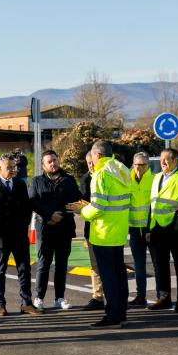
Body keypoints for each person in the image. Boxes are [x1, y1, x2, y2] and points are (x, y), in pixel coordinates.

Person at [67, 140, 131, 328]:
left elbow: (100, 207)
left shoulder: (101, 174)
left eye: (92, 156)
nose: (91, 161)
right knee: (119, 274)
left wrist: (82, 211)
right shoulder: (121, 169)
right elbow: (112, 202)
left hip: (103, 233)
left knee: (108, 277)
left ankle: (112, 316)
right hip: (118, 231)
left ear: (98, 155)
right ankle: (121, 313)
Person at [0, 153, 44, 316]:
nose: (13, 170)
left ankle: (26, 303)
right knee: (0, 269)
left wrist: (24, 223)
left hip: (19, 234)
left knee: (24, 269)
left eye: (15, 167)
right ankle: (0, 303)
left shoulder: (20, 184)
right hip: (1, 235)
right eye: (9, 167)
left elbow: (27, 207)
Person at [29, 149, 82, 311]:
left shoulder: (69, 180)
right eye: (49, 161)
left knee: (61, 264)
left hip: (64, 228)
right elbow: (32, 201)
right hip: (45, 229)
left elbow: (76, 201)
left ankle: (59, 298)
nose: (53, 163)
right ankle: (38, 298)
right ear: (43, 165)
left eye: (55, 160)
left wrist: (61, 215)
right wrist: (49, 216)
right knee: (43, 264)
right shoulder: (36, 181)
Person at [145, 148, 178, 313]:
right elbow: (153, 206)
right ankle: (164, 299)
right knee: (161, 265)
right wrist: (149, 228)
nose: (163, 162)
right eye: (161, 159)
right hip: (157, 227)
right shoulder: (156, 177)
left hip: (175, 227)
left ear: (176, 161)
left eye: (167, 159)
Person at [127, 151, 158, 307]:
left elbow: (156, 207)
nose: (138, 168)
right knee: (138, 266)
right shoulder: (127, 181)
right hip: (134, 229)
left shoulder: (154, 180)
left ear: (148, 165)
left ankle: (161, 296)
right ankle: (141, 296)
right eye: (136, 165)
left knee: (157, 264)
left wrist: (151, 229)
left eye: (142, 165)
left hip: (150, 229)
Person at [79, 151, 105, 310]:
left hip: (108, 229)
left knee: (109, 264)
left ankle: (112, 296)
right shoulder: (85, 179)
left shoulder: (105, 176)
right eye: (88, 163)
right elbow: (84, 203)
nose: (91, 165)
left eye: (92, 162)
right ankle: (97, 296)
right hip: (92, 228)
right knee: (95, 265)